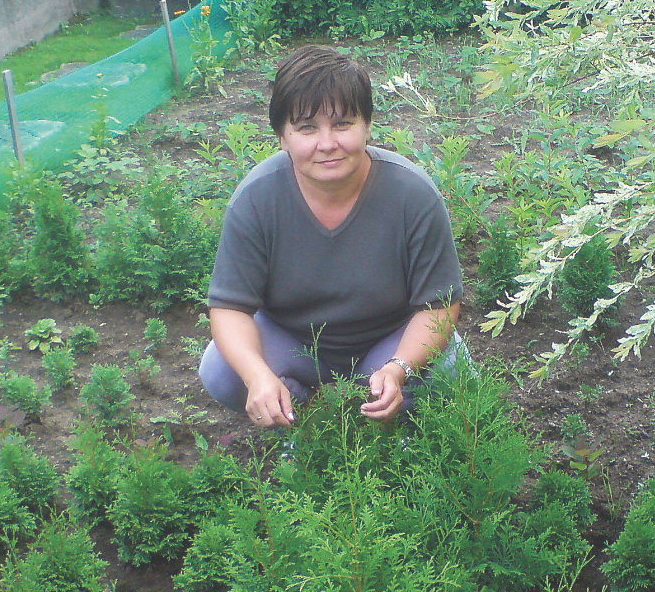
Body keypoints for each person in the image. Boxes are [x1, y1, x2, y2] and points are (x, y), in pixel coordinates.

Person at [198, 45, 466, 427]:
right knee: (223, 372)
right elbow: (229, 307)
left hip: (389, 336)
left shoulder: (412, 195)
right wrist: (257, 375)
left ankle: (400, 429)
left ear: (367, 126)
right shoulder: (257, 198)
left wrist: (399, 367)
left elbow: (440, 306)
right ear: (282, 137)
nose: (327, 144)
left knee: (446, 374)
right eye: (306, 128)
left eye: (343, 124)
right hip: (292, 339)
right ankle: (296, 412)